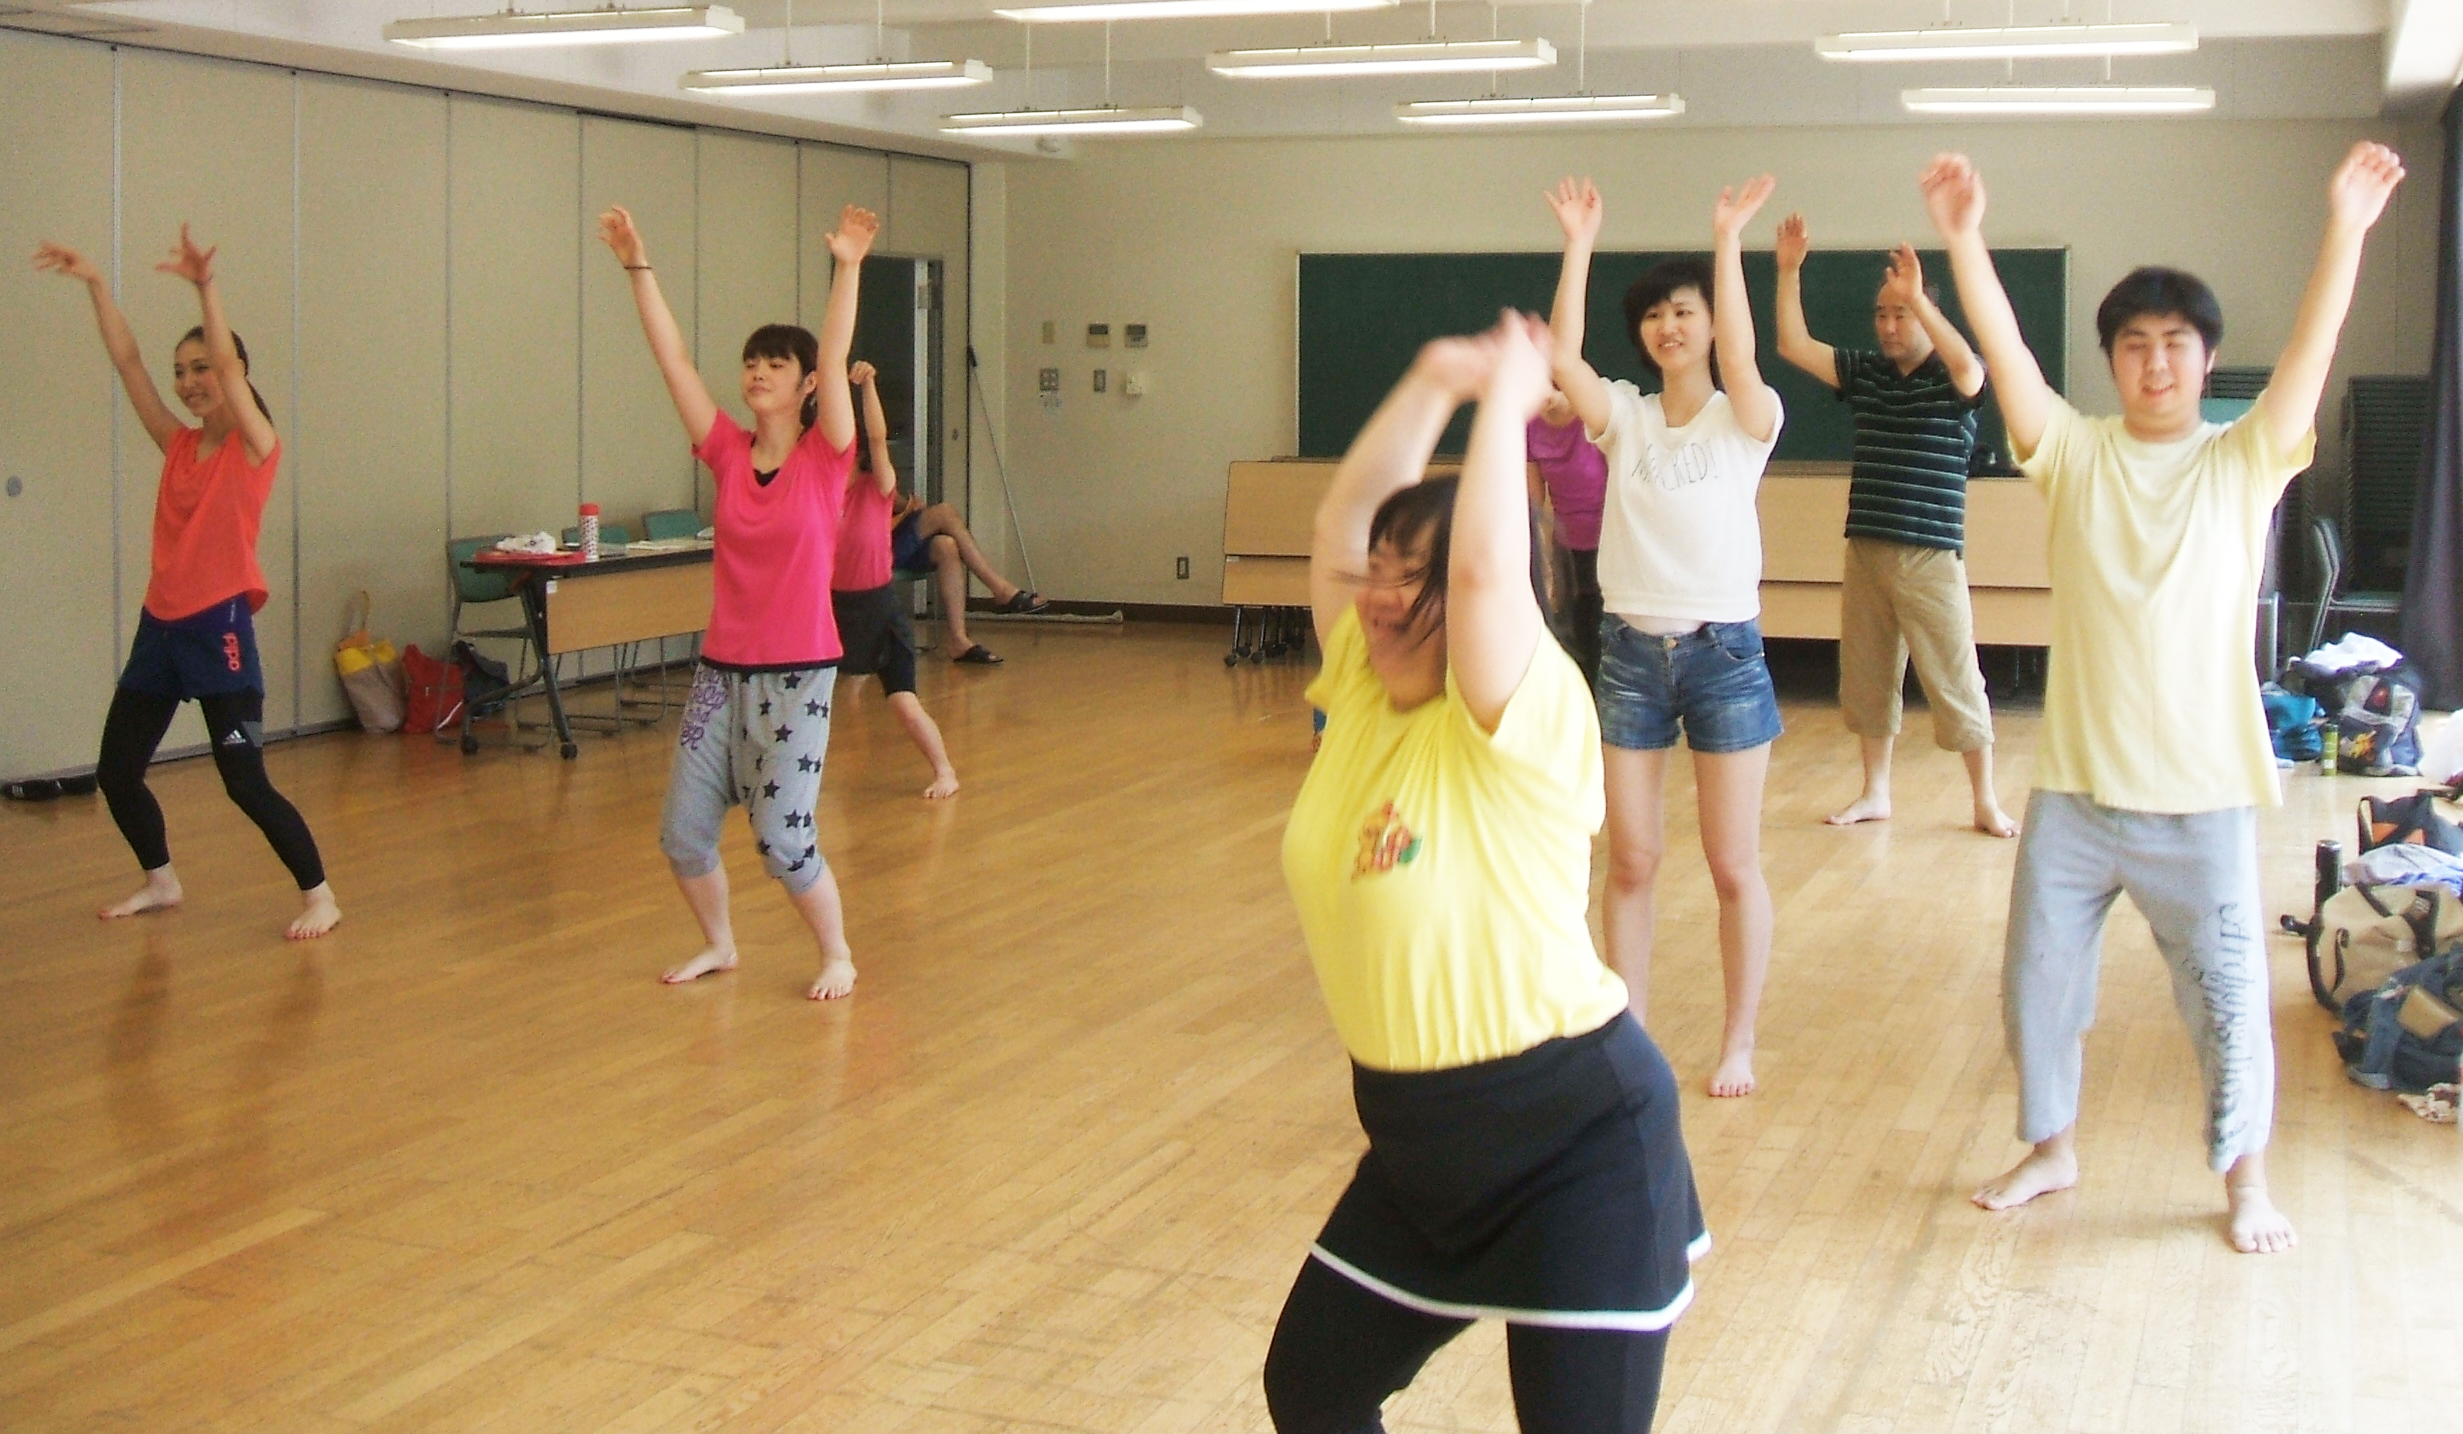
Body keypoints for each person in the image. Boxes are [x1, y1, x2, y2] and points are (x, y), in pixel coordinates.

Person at [1925, 142, 2407, 1253]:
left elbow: (2313, 351)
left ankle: (2246, 1179)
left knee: (2227, 1000)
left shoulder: (2244, 462)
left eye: (2175, 345)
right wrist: (1963, 237)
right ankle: (2051, 1147)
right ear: (2110, 362)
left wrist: (2347, 227)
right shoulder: (2072, 453)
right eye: (2133, 346)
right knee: (2036, 987)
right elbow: (2007, 356)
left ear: (2206, 361)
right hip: (2077, 796)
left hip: (2202, 800)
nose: (2154, 364)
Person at [1266, 312, 1704, 1434]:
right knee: (1313, 1388)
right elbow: (1337, 534)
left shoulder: (1525, 708)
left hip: (1575, 1143)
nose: (1379, 594)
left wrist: (1506, 405)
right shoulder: (1360, 687)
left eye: (1411, 577)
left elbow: (1482, 568)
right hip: (1422, 1150)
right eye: (1380, 573)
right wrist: (1428, 381)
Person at [1545, 174, 1785, 1098]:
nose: (1667, 327)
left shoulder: (1746, 419)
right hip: (1631, 655)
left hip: (1724, 654)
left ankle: (1738, 1041)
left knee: (1732, 864)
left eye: (1683, 312)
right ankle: (1631, 1036)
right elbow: (1561, 360)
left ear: (1711, 325)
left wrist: (1727, 242)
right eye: (1652, 316)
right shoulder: (1626, 419)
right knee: (1632, 857)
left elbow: (1745, 357)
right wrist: (1578, 244)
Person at [599, 200, 875, 1001]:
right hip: (720, 673)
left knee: (782, 840)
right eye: (751, 362)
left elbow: (834, 351)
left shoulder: (827, 457)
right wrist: (636, 265)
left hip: (798, 674)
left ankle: (837, 953)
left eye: (774, 365)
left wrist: (847, 268)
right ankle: (719, 945)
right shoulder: (726, 453)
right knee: (682, 835)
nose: (756, 373)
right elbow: (674, 362)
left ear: (806, 385)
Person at [35, 227, 340, 942]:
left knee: (244, 781)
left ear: (232, 371)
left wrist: (206, 287)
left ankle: (321, 895)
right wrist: (95, 283)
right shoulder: (176, 444)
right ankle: (160, 880)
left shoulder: (256, 446)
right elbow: (128, 363)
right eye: (182, 371)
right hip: (161, 629)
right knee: (117, 771)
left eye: (201, 367)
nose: (189, 381)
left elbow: (230, 369)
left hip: (219, 632)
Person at [1772, 217, 2018, 838]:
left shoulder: (1953, 376)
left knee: (1955, 678)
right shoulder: (1868, 372)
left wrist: (1919, 299)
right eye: (1881, 314)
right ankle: (1874, 791)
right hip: (1866, 548)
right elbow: (1794, 344)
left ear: (1926, 316)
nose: (1887, 325)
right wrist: (1789, 270)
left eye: (1900, 314)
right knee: (1869, 678)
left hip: (1929, 555)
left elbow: (1970, 368)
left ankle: (1985, 800)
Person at [839, 360, 960, 799]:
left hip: (877, 607)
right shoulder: (819, 495)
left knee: (903, 701)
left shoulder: (876, 488)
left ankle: (944, 770)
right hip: (832, 608)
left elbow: (876, 437)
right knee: (821, 699)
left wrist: (868, 385)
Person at [890, 493, 1045, 665]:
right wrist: (910, 504)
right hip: (871, 552)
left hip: (887, 540)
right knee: (944, 513)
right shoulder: (868, 474)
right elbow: (887, 496)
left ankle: (958, 640)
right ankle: (1000, 590)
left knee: (946, 546)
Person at [1527, 387, 1607, 685]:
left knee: (1606, 631)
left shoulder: (1595, 415)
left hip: (1609, 545)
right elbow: (1534, 503)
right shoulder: (1528, 425)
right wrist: (1543, 558)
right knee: (1573, 634)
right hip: (1566, 546)